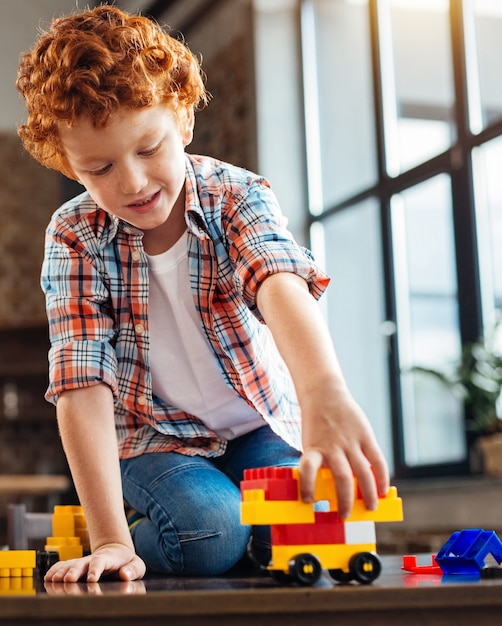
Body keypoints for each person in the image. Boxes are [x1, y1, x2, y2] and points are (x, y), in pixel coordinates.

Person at [16, 5, 389, 583]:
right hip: (153, 440)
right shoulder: (74, 234)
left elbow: (279, 280)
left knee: (297, 522)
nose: (133, 183)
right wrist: (110, 538)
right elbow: (81, 379)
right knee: (210, 530)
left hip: (257, 424)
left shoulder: (235, 196)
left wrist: (324, 393)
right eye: (100, 168)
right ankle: (144, 537)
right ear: (70, 165)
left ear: (183, 120)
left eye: (147, 149)